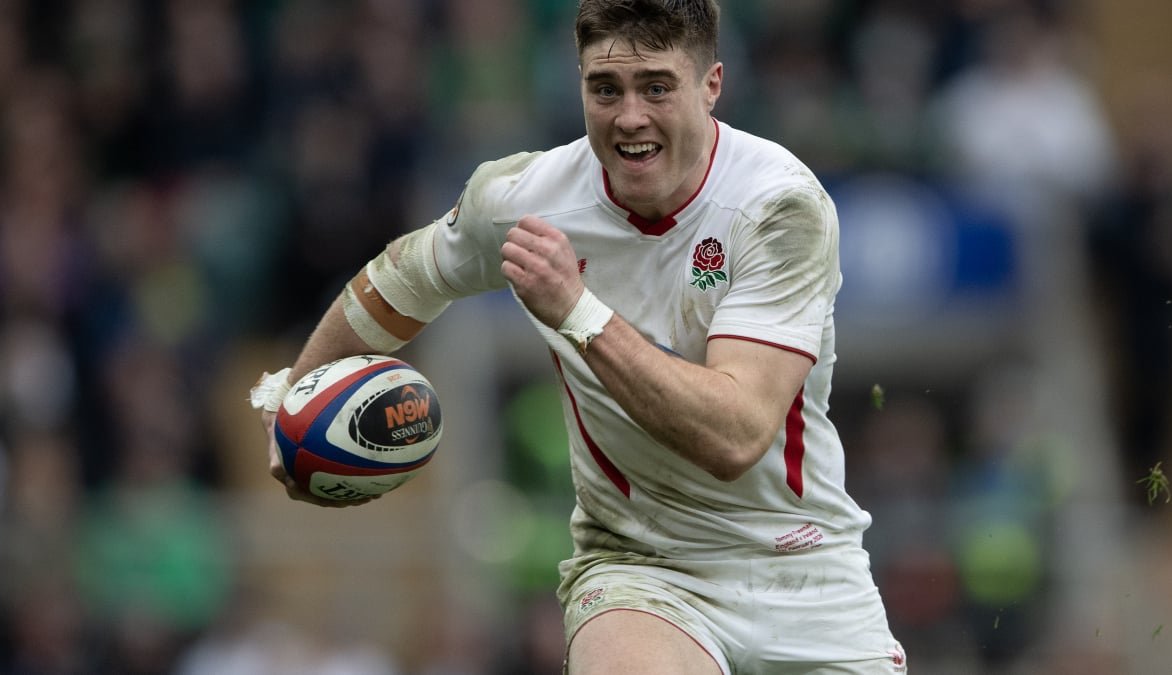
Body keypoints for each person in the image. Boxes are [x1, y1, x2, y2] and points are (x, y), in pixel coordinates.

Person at [250, 1, 905, 672]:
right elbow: (402, 278)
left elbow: (735, 435)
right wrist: (289, 397)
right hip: (642, 567)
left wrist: (578, 310)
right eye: (605, 88)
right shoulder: (526, 195)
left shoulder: (778, 206)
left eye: (656, 85)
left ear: (712, 85)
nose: (629, 117)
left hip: (802, 566)